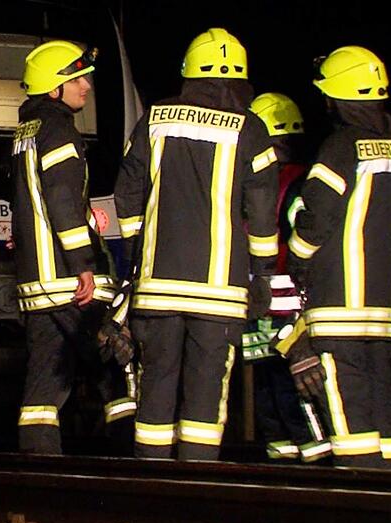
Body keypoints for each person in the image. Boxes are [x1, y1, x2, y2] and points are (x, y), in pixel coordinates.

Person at [114, 28, 280, 461]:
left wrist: (137, 248)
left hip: (157, 288)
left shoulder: (155, 119)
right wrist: (262, 276)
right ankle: (196, 491)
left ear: (188, 73)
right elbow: (262, 214)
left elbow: (127, 195)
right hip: (221, 295)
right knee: (206, 403)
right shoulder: (252, 130)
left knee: (156, 393)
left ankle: (150, 491)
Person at [284, 46, 391, 469]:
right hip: (385, 312)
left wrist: (298, 258)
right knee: (382, 404)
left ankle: (361, 497)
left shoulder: (340, 147)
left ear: (337, 98)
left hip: (338, 310)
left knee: (348, 418)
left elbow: (315, 217)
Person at [11, 40, 133, 455]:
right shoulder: (60, 130)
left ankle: (41, 469)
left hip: (37, 283)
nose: (86, 86)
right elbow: (63, 201)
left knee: (45, 382)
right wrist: (84, 263)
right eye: (76, 78)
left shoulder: (26, 131)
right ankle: (131, 463)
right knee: (115, 365)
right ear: (53, 88)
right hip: (69, 280)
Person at [242, 93, 331, 463]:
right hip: (264, 310)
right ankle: (283, 480)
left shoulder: (295, 185)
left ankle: (320, 476)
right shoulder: (262, 184)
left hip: (289, 313)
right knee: (270, 401)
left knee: (295, 396)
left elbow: (306, 245)